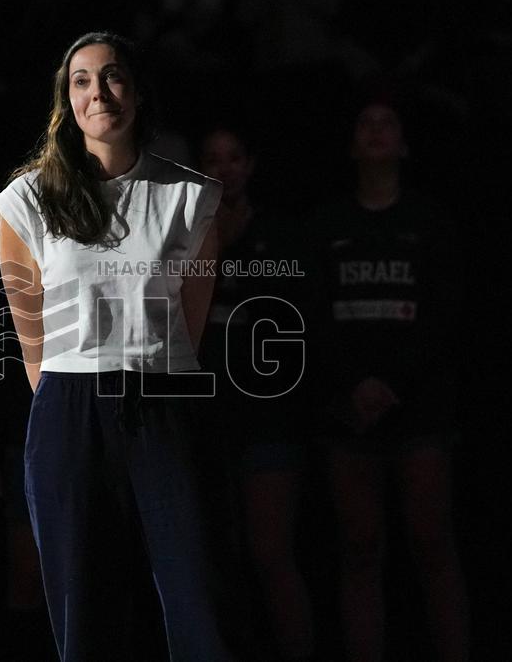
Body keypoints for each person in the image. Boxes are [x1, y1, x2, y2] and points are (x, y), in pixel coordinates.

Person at [0, 31, 234, 661]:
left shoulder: (191, 197)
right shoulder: (28, 199)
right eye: (81, 80)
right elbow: (30, 336)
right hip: (69, 408)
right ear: (65, 100)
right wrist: (73, 403)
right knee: (85, 616)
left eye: (113, 76)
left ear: (138, 91)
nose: (98, 92)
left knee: (196, 606)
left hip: (163, 402)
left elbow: (189, 320)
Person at [302, 96, 469, 662]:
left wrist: (394, 383)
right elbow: (313, 315)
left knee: (432, 545)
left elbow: (445, 316)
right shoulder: (326, 225)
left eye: (388, 123)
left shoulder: (431, 223)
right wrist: (354, 386)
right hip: (350, 410)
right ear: (352, 145)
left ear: (404, 144)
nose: (376, 132)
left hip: (419, 409)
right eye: (365, 123)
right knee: (359, 548)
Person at [197, 124, 314, 661]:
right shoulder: (185, 237)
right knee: (215, 555)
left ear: (251, 165)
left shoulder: (283, 235)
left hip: (270, 419)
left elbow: (294, 323)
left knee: (270, 554)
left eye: (235, 157)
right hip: (204, 421)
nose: (225, 169)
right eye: (214, 159)